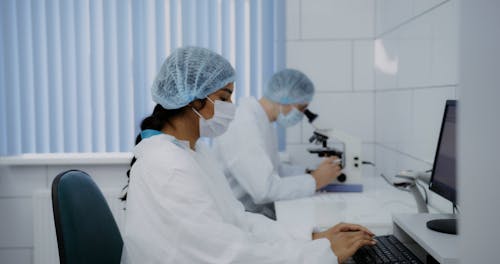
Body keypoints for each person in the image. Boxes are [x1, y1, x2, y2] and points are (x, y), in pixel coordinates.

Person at [120, 46, 375, 264]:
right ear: (191, 99)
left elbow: (238, 221)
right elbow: (228, 254)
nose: (231, 107)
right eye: (223, 97)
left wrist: (311, 238)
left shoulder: (193, 153)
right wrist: (319, 254)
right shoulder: (168, 165)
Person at [212, 68, 341, 219]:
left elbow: (273, 170)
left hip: (253, 213)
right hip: (239, 218)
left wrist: (310, 173)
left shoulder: (263, 122)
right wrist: (315, 180)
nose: (301, 115)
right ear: (285, 98)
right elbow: (264, 190)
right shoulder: (243, 124)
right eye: (301, 109)